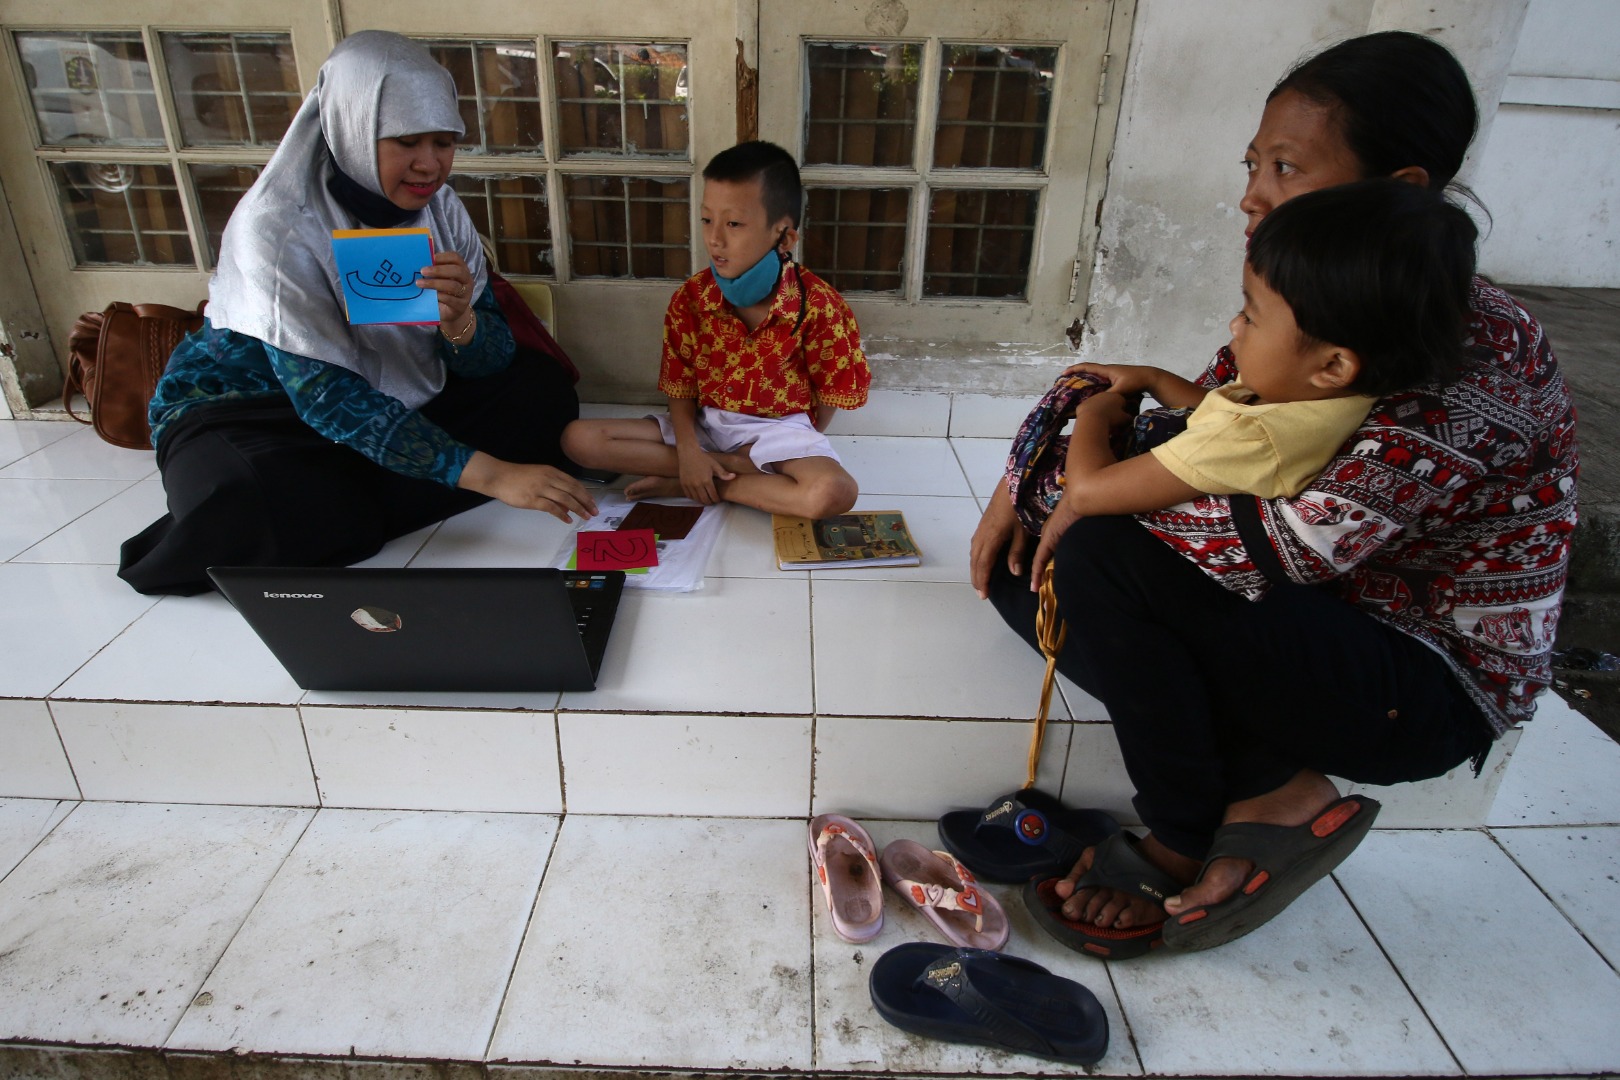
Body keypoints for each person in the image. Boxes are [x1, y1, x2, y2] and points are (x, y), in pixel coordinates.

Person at [968, 31, 1578, 956]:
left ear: (1399, 191)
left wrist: (1068, 480)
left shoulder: (1474, 360)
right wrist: (1026, 486)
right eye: (1255, 163)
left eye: (1287, 168)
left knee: (1093, 553)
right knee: (1030, 572)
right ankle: (1272, 788)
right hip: (1304, 618)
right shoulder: (1315, 292)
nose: (1252, 195)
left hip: (1418, 685)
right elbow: (1192, 431)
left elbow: (1263, 538)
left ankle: (1179, 834)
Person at [118, 31, 595, 596]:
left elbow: (488, 362)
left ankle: (379, 481)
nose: (429, 165)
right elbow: (325, 397)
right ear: (350, 126)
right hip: (256, 408)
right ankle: (400, 478)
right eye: (406, 141)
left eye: (444, 142)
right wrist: (496, 475)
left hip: (403, 382)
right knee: (246, 496)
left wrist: (459, 322)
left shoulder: (439, 208)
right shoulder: (277, 224)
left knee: (539, 392)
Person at [1028, 178, 1477, 584]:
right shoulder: (1322, 403)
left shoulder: (1254, 440)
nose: (1235, 326)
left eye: (1251, 316)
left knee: (1045, 552)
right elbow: (1217, 414)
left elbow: (1088, 492)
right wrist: (1151, 378)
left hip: (1179, 577)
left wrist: (1093, 414)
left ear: (1333, 366)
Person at [560, 141, 869, 518]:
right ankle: (708, 471)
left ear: (784, 237)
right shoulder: (691, 298)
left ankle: (708, 482)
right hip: (706, 425)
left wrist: (798, 445)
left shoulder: (820, 306)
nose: (715, 239)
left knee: (833, 493)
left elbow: (831, 395)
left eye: (734, 223)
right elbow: (681, 386)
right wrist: (690, 454)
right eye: (707, 220)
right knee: (579, 440)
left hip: (778, 431)